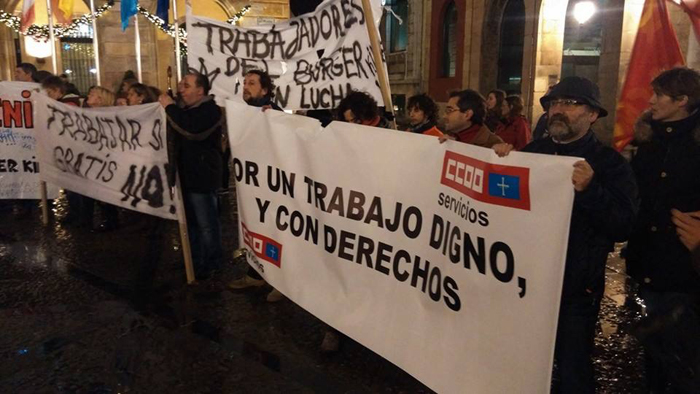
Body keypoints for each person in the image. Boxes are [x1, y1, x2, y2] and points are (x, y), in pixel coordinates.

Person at [493, 76, 639, 394]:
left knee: (573, 367)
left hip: (575, 288)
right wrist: (501, 160)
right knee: (523, 361)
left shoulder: (609, 164)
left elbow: (622, 225)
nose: (559, 110)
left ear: (592, 114)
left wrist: (591, 190)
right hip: (527, 282)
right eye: (555, 103)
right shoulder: (533, 153)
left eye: (571, 104)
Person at [625, 67, 700, 394]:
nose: (651, 101)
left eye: (659, 95)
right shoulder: (645, 138)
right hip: (647, 260)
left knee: (685, 351)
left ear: (682, 100)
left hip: (687, 264)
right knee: (653, 349)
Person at [159, 72, 224, 280]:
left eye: (186, 86)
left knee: (206, 224)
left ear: (200, 90)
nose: (181, 89)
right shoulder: (183, 111)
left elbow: (192, 130)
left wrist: (169, 107)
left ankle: (212, 262)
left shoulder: (211, 111)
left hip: (202, 176)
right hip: (184, 176)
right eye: (181, 85)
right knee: (190, 224)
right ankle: (194, 260)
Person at [228, 70, 284, 300]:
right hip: (252, 186)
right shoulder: (244, 113)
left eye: (251, 83)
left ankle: (282, 282)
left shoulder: (273, 113)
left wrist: (276, 121)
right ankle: (255, 274)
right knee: (254, 230)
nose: (245, 87)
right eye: (244, 83)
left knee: (276, 233)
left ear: (264, 90)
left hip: (273, 189)